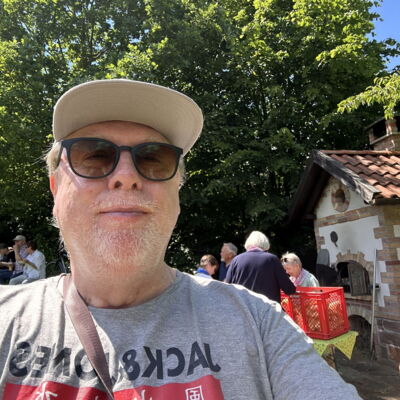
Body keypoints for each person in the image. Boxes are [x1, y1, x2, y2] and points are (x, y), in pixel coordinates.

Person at [0, 79, 361, 399]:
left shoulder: (259, 324)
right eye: (93, 156)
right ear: (55, 187)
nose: (126, 176)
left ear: (177, 194)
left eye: (153, 159)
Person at [225, 230, 296, 303]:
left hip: (243, 307)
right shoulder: (272, 259)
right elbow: (289, 289)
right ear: (266, 245)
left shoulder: (236, 260)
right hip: (267, 308)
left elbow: (227, 288)